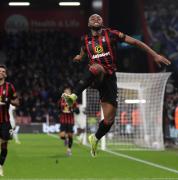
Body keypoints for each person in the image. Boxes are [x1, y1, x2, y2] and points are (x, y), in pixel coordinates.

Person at [62, 14, 171, 157]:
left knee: (109, 120)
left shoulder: (111, 34)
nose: (96, 18)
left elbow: (136, 43)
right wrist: (80, 57)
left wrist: (154, 54)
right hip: (96, 76)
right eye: (93, 18)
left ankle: (95, 138)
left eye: (99, 18)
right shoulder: (86, 40)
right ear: (89, 24)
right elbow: (83, 53)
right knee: (97, 68)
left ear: (102, 22)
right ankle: (73, 96)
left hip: (110, 80)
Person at [0, 64, 20, 176]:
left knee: (4, 145)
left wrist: (9, 101)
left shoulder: (10, 87)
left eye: (3, 71)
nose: (1, 72)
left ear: (5, 74)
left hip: (5, 121)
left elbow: (17, 102)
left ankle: (0, 166)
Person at [59, 87, 79, 156]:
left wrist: (72, 110)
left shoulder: (73, 100)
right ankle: (66, 139)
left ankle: (69, 150)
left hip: (70, 120)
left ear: (70, 93)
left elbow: (77, 111)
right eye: (66, 92)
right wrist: (61, 111)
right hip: (63, 120)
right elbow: (58, 108)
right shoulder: (61, 100)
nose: (67, 93)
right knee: (61, 136)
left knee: (70, 135)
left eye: (68, 92)